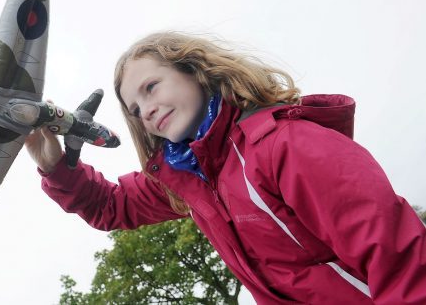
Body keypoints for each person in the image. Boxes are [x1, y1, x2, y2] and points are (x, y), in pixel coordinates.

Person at [25, 32, 426, 304]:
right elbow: (113, 205)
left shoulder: (287, 145)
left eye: (151, 87)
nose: (145, 110)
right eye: (134, 109)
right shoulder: (190, 177)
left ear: (194, 71)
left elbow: (399, 257)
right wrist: (56, 166)